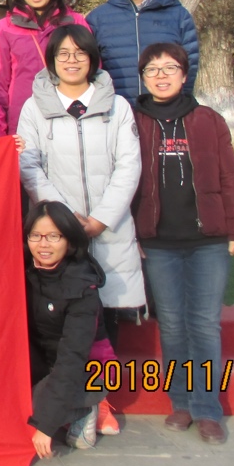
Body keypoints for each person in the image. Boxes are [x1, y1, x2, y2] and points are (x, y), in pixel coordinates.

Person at [133, 42, 234, 445]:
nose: (161, 76)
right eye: (152, 70)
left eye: (170, 68)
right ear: (143, 78)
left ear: (185, 75)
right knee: (171, 324)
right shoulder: (133, 120)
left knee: (203, 323)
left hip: (208, 240)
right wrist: (132, 235)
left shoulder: (207, 120)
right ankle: (181, 402)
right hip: (158, 242)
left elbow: (229, 177)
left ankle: (207, 409)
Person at [16, 24, 145, 342]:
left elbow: (129, 166)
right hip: (57, 228)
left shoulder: (118, 107)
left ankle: (103, 377)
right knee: (60, 324)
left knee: (107, 325)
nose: (71, 61)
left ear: (92, 58)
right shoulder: (34, 108)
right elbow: (29, 165)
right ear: (51, 60)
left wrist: (101, 219)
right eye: (63, 54)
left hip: (108, 228)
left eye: (79, 53)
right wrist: (64, 219)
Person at [24, 200, 110, 457]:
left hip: (85, 369)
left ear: (69, 240)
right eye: (36, 236)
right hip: (45, 360)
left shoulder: (82, 287)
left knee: (33, 410)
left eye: (53, 236)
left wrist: (45, 425)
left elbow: (73, 358)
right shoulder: (25, 271)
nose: (43, 244)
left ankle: (85, 408)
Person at [0, 0, 90, 139]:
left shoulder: (75, 22)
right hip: (22, 126)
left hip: (70, 122)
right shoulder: (5, 27)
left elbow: (93, 72)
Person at [87, 0, 199, 104]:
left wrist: (178, 104)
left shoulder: (178, 15)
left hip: (166, 111)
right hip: (116, 111)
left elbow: (190, 65)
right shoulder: (97, 19)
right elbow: (90, 70)